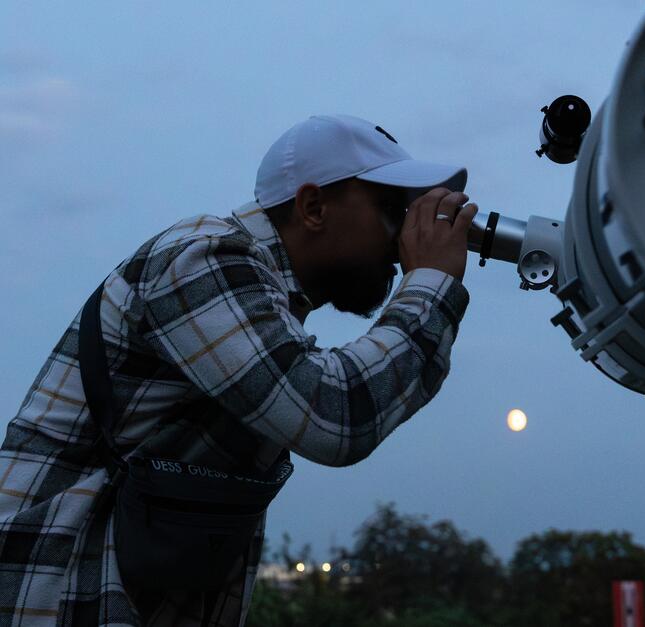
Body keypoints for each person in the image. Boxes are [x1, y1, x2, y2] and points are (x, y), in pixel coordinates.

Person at [0, 114, 479, 626]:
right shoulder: (201, 257)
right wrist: (431, 283)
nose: (404, 232)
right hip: (55, 588)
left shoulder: (265, 301)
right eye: (391, 208)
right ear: (312, 207)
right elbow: (335, 416)